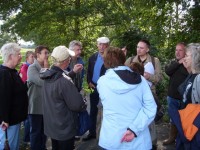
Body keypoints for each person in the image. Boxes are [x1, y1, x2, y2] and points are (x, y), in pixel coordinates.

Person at [97, 46, 157, 150]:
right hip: (139, 141)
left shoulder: (102, 82)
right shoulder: (141, 80)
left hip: (111, 139)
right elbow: (151, 108)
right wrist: (134, 130)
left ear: (105, 61)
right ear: (123, 59)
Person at [40, 46, 86, 150]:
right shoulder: (64, 82)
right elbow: (77, 105)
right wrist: (84, 101)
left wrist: (72, 73)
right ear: (66, 61)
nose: (70, 59)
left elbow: (60, 82)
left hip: (52, 126)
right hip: (64, 128)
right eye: (69, 58)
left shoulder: (47, 75)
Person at [125, 39, 161, 149]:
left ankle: (152, 142)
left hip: (149, 95)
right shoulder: (130, 60)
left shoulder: (155, 61)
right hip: (133, 95)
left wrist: (148, 76)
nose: (138, 49)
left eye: (141, 48)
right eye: (137, 47)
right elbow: (123, 74)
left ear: (147, 49)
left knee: (149, 120)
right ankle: (134, 140)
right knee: (135, 118)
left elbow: (158, 79)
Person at [168, 43, 200, 150]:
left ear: (195, 59)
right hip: (186, 124)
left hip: (194, 128)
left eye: (187, 55)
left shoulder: (199, 79)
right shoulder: (191, 74)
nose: (184, 58)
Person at [0, 43, 28, 149]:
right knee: (8, 146)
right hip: (9, 122)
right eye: (18, 54)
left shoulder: (11, 72)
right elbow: (3, 98)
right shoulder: (4, 74)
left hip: (14, 120)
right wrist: (4, 120)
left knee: (13, 146)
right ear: (11, 56)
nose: (21, 56)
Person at [83, 37, 109, 141]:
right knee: (92, 110)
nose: (102, 47)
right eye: (100, 44)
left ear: (108, 46)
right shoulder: (92, 57)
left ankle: (105, 134)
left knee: (105, 111)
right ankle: (92, 132)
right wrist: (89, 82)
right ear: (97, 45)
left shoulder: (110, 58)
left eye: (104, 45)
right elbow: (89, 71)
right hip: (93, 86)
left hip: (106, 89)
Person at [163, 42, 188, 145]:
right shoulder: (174, 62)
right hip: (172, 96)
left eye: (180, 50)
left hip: (184, 98)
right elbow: (168, 71)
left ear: (185, 52)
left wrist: (184, 62)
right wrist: (179, 62)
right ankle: (172, 138)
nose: (177, 52)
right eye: (176, 50)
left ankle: (181, 140)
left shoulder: (188, 63)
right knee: (173, 119)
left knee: (184, 119)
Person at [27, 45, 49, 150]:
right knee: (36, 132)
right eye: (45, 53)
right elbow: (43, 82)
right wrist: (45, 68)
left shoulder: (46, 66)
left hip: (45, 105)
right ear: (38, 54)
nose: (47, 55)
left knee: (44, 131)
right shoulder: (32, 68)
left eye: (47, 53)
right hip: (35, 106)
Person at [19, 51, 35, 146]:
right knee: (28, 118)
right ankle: (26, 139)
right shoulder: (25, 68)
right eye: (31, 57)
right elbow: (27, 81)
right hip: (27, 96)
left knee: (29, 118)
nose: (33, 58)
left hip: (30, 96)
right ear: (27, 58)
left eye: (34, 56)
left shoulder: (30, 67)